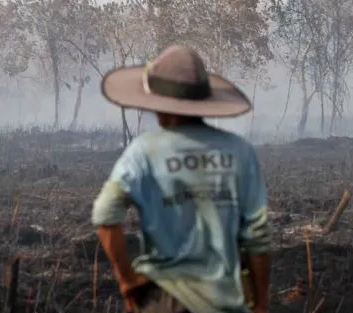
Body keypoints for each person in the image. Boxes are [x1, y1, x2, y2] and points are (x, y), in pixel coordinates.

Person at [91, 45, 271, 313]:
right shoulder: (239, 152)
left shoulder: (144, 151)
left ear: (161, 104)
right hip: (224, 301)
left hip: (162, 301)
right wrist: (262, 302)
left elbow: (105, 215)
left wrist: (127, 280)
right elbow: (257, 238)